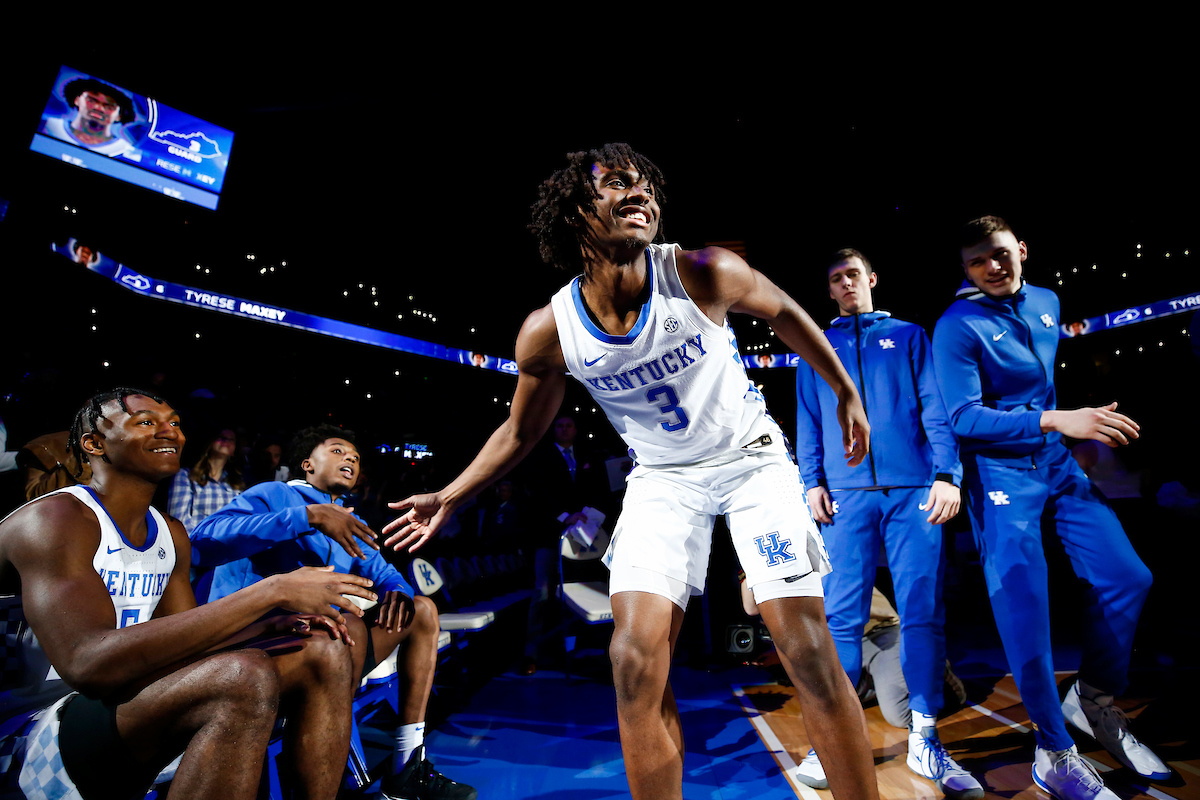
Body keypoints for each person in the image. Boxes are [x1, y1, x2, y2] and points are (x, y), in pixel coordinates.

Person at [383, 143, 879, 800]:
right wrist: (451, 495)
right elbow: (522, 430)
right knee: (633, 660)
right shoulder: (549, 331)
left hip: (751, 461)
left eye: (644, 183)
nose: (639, 192)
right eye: (616, 183)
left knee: (807, 648)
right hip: (664, 478)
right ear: (575, 216)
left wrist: (844, 388)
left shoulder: (704, 270)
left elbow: (785, 312)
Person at [0, 388, 377, 799]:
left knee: (323, 646)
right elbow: (87, 664)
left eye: (175, 423)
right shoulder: (56, 517)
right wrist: (271, 592)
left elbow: (188, 642)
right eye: (146, 422)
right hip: (34, 727)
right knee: (243, 676)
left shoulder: (169, 532)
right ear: (94, 444)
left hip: (124, 699)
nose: (170, 432)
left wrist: (271, 624)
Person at [932, 216, 1167, 800]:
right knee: (1024, 604)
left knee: (1128, 576)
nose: (992, 266)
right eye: (977, 260)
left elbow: (1042, 391)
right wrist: (1060, 419)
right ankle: (1053, 748)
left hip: (1056, 463)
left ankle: (1094, 700)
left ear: (1022, 251)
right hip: (999, 473)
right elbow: (961, 419)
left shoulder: (1046, 300)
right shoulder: (956, 326)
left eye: (1000, 253)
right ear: (966, 269)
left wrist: (1071, 425)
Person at [190, 424, 476, 800]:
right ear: (307, 464)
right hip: (253, 646)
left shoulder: (348, 518)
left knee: (420, 609)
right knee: (349, 626)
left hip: (324, 645)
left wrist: (399, 592)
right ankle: (336, 780)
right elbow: (204, 540)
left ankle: (407, 766)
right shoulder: (273, 494)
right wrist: (307, 517)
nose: (351, 460)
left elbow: (386, 573)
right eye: (339, 451)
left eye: (356, 458)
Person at [793, 248, 979, 798]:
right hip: (846, 498)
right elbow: (805, 418)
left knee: (922, 613)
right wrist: (811, 482)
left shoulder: (909, 335)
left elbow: (934, 407)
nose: (846, 284)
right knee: (839, 621)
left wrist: (948, 473)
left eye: (853, 275)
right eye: (835, 279)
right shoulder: (814, 348)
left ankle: (926, 736)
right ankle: (834, 740)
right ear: (829, 291)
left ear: (871, 279)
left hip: (915, 492)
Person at [520, 414, 608, 675]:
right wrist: (563, 515)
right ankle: (530, 653)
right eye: (559, 425)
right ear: (554, 429)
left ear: (575, 429)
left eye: (569, 425)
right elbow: (538, 494)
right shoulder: (542, 457)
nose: (564, 429)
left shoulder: (588, 456)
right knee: (543, 593)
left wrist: (587, 512)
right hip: (549, 535)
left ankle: (578, 650)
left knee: (581, 592)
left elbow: (598, 489)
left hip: (584, 536)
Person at [168, 427, 244, 533]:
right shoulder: (186, 476)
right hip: (196, 544)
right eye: (221, 437)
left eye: (231, 439)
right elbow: (177, 519)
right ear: (210, 442)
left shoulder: (235, 483)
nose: (226, 441)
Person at [42, 77, 138, 158]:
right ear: (77, 100)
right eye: (91, 100)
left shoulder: (126, 150)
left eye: (109, 106)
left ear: (119, 116)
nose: (98, 108)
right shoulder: (47, 126)